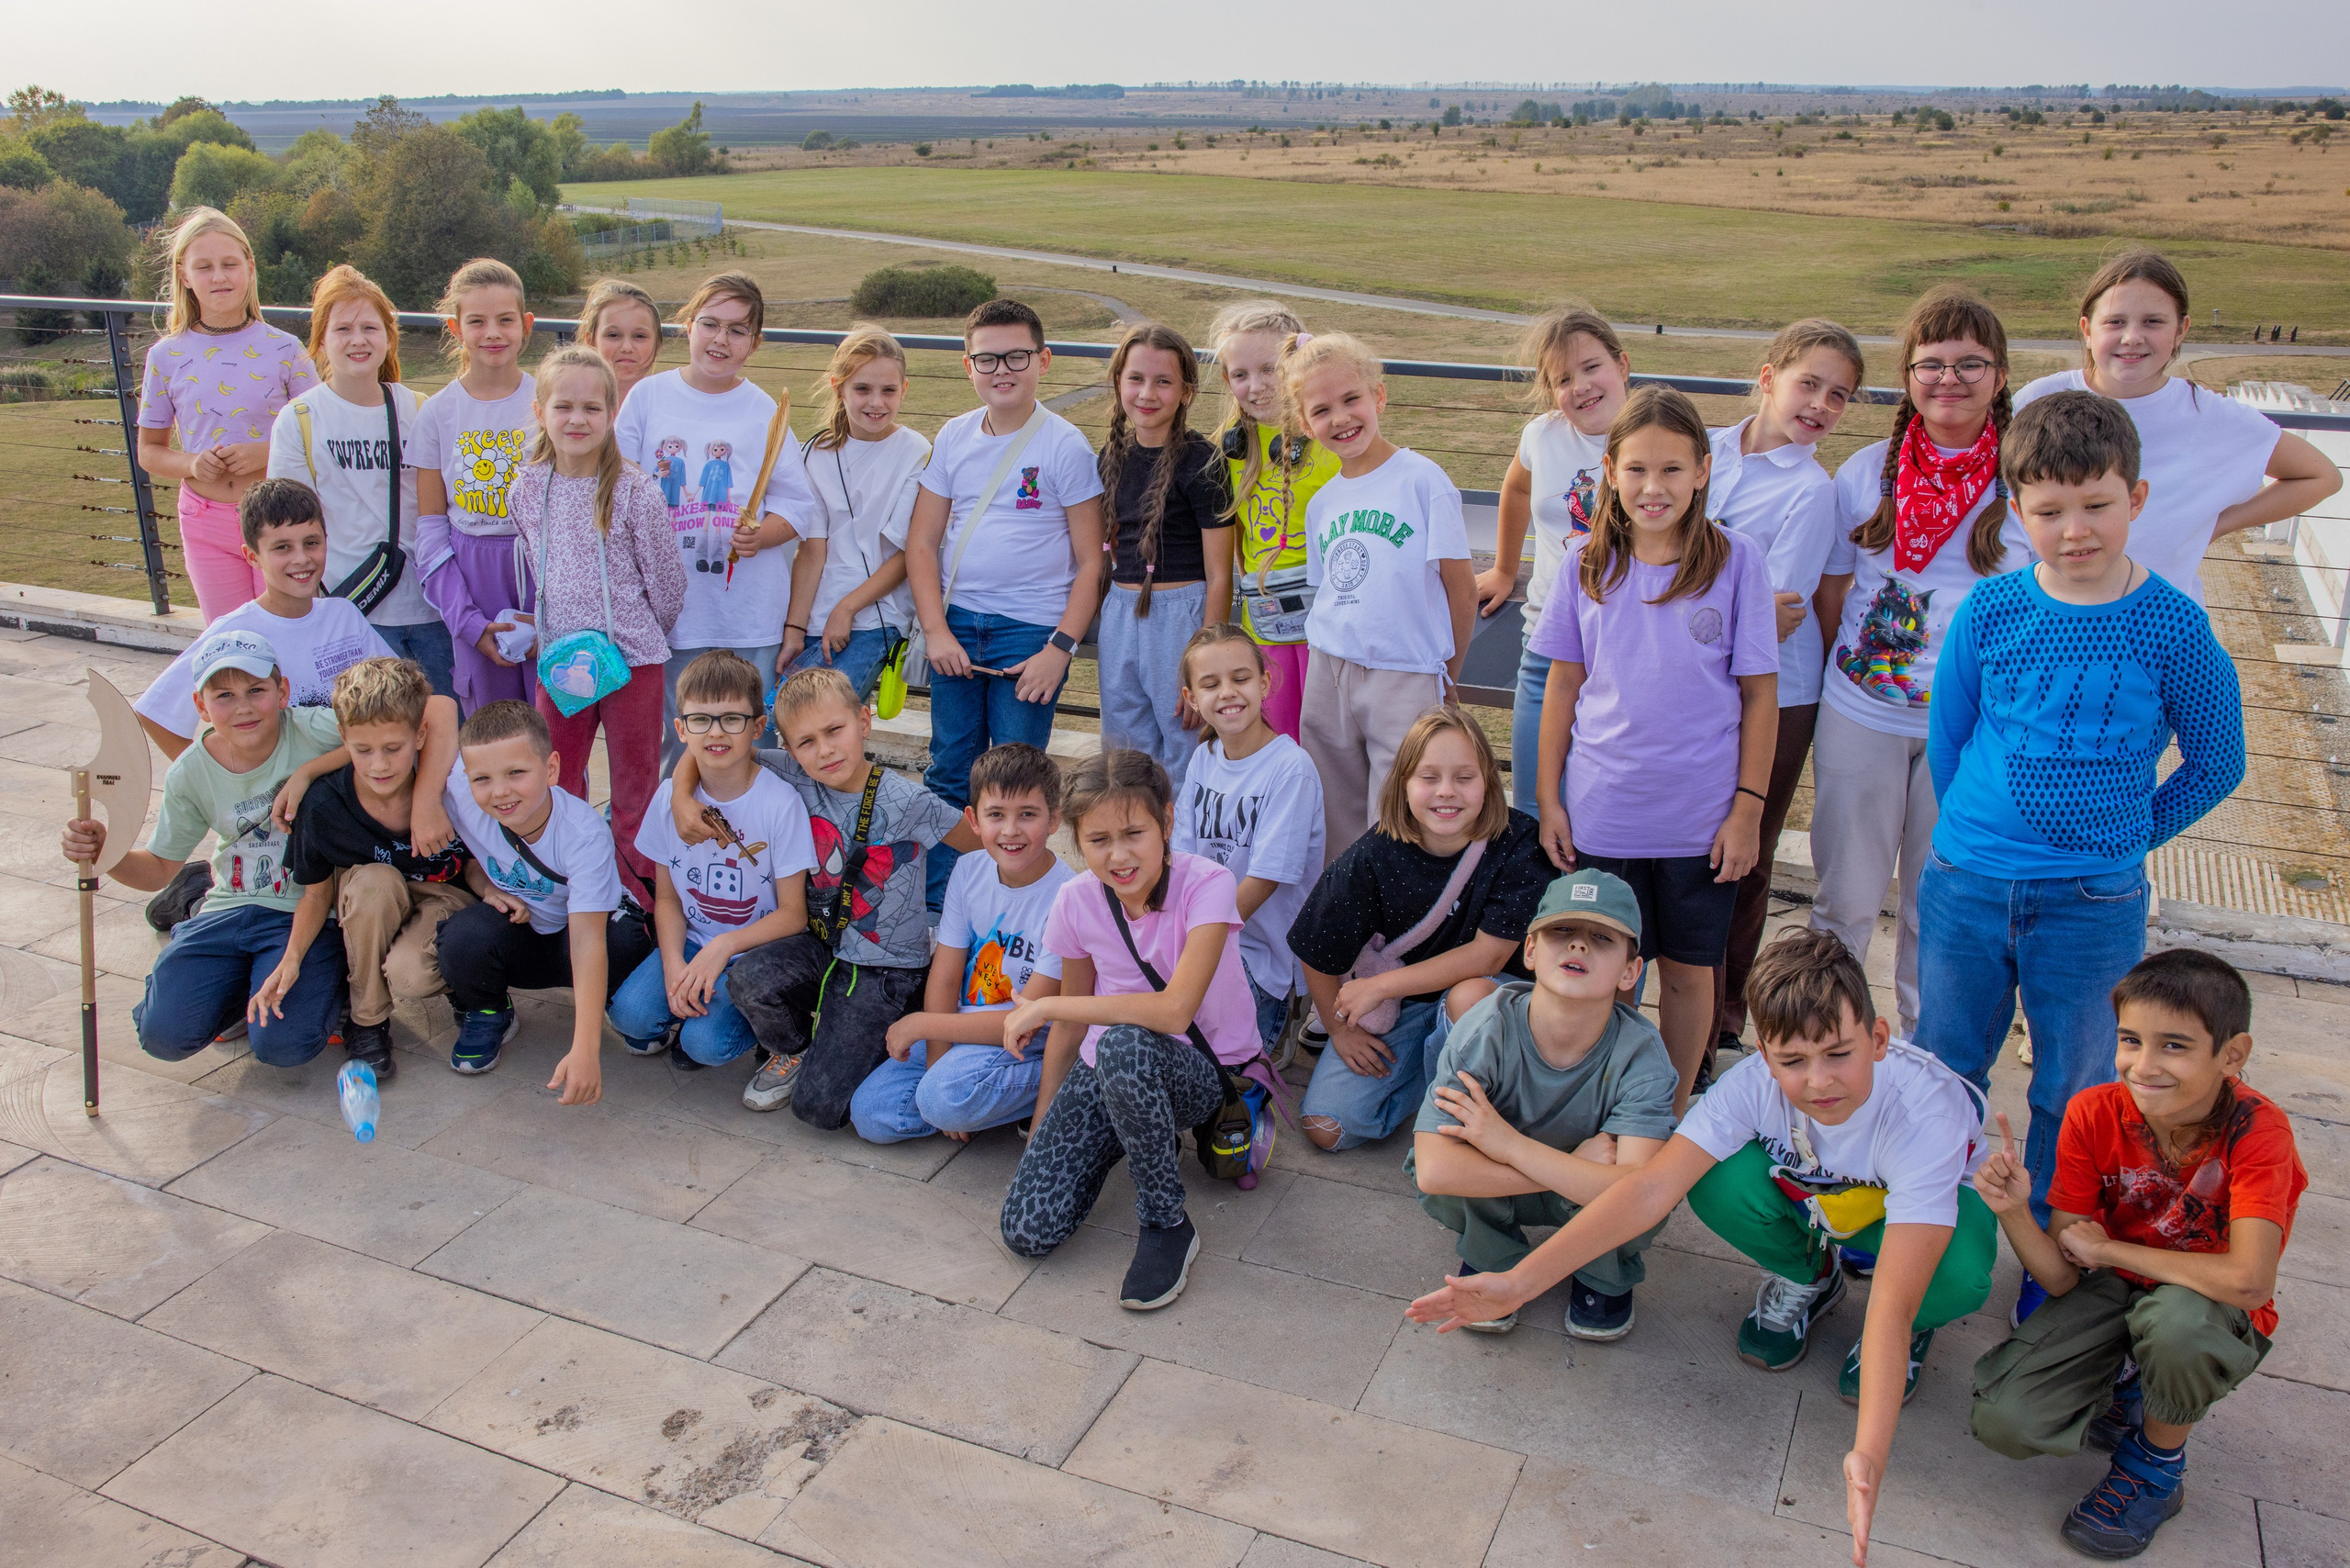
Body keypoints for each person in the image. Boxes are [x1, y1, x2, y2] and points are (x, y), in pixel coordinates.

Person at [1408, 929, 1998, 1568]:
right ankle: (1812, 1275)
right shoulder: (1749, 1086)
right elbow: (1646, 1192)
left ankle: (1917, 1331)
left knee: (1958, 1272)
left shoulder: (1925, 1114)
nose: (1819, 1080)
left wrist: (1868, 1453)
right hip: (1818, 1201)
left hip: (1911, 1220)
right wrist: (1517, 1283)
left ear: (1879, 1040)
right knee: (1715, 1180)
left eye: (1839, 1053)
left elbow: (1887, 1303)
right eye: (1793, 1061)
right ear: (1764, 1057)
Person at [1918, 389, 2245, 1320]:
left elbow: (2217, 758)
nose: (2073, 530)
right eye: (2048, 509)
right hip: (1966, 884)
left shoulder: (2170, 624)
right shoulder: (1989, 609)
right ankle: (1933, 1243)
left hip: (2091, 901)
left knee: (2078, 1085)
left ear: (2135, 497)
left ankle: (2053, 1266)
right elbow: (1951, 738)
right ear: (2016, 511)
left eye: (2094, 504)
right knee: (1944, 1066)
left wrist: (2127, 835)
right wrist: (1974, 835)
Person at [1969, 949, 2305, 1560]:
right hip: (2116, 1287)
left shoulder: (2260, 1133)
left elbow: (2250, 1282)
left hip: (2207, 1307)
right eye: (2129, 1040)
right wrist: (2015, 1211)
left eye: (2173, 1046)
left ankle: (2156, 1467)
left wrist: (2115, 1249)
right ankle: (2131, 1386)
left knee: (2176, 1325)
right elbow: (2067, 1278)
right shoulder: (2094, 1112)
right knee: (2006, 1421)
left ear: (2232, 1055)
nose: (2142, 1066)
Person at [1531, 386, 1780, 1110]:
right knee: (1608, 969)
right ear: (1610, 471)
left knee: (1687, 970)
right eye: (1637, 469)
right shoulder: (1585, 562)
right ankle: (1609, 1098)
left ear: (1703, 471)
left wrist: (1747, 811)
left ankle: (1669, 1109)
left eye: (1672, 470)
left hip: (1700, 822)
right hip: (1603, 813)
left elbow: (1761, 696)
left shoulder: (1738, 562)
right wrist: (1549, 799)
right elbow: (1563, 687)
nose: (1653, 487)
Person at [1810, 286, 2032, 1039]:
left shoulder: (2026, 481)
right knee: (1845, 898)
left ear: (2000, 376)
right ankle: (1826, 1043)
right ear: (1907, 376)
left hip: (1973, 730)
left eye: (1971, 364)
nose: (1950, 380)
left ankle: (1928, 1060)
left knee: (1937, 906)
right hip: (1862, 715)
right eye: (1931, 364)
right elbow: (1833, 592)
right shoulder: (1865, 472)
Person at [997, 749, 1264, 1311]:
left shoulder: (1207, 885)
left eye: (1134, 832)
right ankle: (1140, 1127)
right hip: (1114, 1064)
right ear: (1076, 840)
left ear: (1167, 822)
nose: (1119, 855)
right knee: (1026, 1230)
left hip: (1200, 1069)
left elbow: (1172, 1013)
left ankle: (1167, 1222)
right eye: (1098, 840)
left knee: (1125, 1044)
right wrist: (1045, 1123)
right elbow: (1073, 1022)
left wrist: (1049, 1010)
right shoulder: (1074, 900)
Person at [669, 666, 970, 1123]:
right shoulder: (793, 772)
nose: (824, 750)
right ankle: (797, 1047)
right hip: (823, 944)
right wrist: (679, 794)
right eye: (806, 742)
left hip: (884, 967)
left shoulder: (909, 802)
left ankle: (910, 1022)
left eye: (835, 731)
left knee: (820, 1109)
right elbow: (714, 751)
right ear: (789, 749)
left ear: (864, 722)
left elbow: (987, 848)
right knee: (747, 977)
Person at [1410, 868, 1679, 1340]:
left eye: (1602, 938)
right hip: (1561, 1180)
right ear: (1530, 951)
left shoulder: (1643, 1054)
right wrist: (1562, 1166)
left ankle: (1603, 1271)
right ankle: (1493, 1252)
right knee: (1447, 1174)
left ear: (1630, 972)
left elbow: (1642, 1191)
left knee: (1649, 1198)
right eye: (1562, 931)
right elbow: (1434, 1170)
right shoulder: (1485, 1029)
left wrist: (1508, 1145)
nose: (1578, 946)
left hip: (1574, 1196)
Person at [65, 631, 352, 1070]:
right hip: (228, 907)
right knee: (162, 1036)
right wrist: (108, 851)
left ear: (282, 692)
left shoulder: (314, 728)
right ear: (201, 707)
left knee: (284, 1045)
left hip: (304, 909)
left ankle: (324, 986)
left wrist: (310, 770)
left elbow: (393, 732)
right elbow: (160, 869)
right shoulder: (190, 771)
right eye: (224, 695)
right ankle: (222, 978)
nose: (242, 706)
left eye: (256, 690)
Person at [906, 297, 1107, 910]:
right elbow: (922, 540)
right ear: (968, 366)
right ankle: (945, 909)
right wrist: (937, 631)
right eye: (987, 359)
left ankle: (1018, 906)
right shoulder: (954, 436)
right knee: (949, 772)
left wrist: (1060, 650)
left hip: (1030, 636)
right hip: (958, 628)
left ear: (1042, 360)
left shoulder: (1066, 447)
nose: (1002, 370)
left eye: (1016, 356)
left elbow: (1091, 561)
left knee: (1019, 778)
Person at [132, 480, 395, 929]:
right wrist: (230, 782)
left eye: (312, 543)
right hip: (284, 825)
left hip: (349, 803)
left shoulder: (343, 617)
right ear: (252, 556)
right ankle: (195, 899)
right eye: (281, 547)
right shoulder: (232, 632)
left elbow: (399, 702)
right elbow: (154, 712)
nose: (301, 559)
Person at [1707, 320, 1863, 1072]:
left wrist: (1670, 601)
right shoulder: (1701, 447)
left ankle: (1722, 1012)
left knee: (1745, 853)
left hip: (1778, 693)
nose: (1822, 405)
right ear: (1769, 378)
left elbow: (1774, 610)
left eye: (1840, 397)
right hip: (1683, 683)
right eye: (1811, 384)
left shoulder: (1814, 491)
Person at [2014, 248, 2341, 606]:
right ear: (2086, 329)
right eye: (2115, 322)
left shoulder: (2211, 416)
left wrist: (2217, 525)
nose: (2132, 337)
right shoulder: (2038, 399)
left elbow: (2321, 477)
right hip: (2047, 620)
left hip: (2162, 629)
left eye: (2153, 322)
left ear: (2181, 330)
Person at [1289, 708, 1550, 1150]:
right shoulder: (1374, 854)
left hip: (1491, 1002)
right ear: (1403, 784)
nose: (1446, 792)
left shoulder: (1519, 843)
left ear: (1488, 781)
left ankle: (1463, 1115)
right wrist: (1339, 1030)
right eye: (1429, 777)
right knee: (1327, 1128)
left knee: (1469, 997)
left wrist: (1380, 985)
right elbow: (1315, 946)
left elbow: (1488, 957)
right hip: (1404, 1007)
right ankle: (1426, 1081)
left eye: (1464, 777)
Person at [612, 272, 820, 769]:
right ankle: (680, 839)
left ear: (755, 342)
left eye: (737, 330)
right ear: (688, 327)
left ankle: (752, 834)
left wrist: (761, 535)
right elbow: (614, 489)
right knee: (680, 738)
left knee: (752, 738)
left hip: (747, 616)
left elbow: (798, 506)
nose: (720, 340)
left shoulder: (764, 410)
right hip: (671, 615)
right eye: (710, 324)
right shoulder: (647, 398)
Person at [1289, 332, 1477, 859]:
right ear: (1306, 424)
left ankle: (1395, 929)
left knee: (1399, 812)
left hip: (1405, 673)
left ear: (1379, 396)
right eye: (1322, 410)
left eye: (1352, 399)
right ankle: (1342, 925)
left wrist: (1447, 674)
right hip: (1331, 669)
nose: (1341, 418)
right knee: (1333, 808)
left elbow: (1460, 592)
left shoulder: (1422, 481)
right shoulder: (1322, 503)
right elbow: (1331, 592)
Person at [510, 345, 688, 902]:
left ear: (612, 413)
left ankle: (637, 897)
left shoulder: (635, 493)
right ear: (540, 411)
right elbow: (542, 569)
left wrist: (633, 636)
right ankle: (567, 885)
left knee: (636, 784)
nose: (577, 419)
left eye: (592, 407)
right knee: (558, 777)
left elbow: (668, 585)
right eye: (563, 406)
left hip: (632, 661)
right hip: (562, 661)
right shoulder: (526, 489)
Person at [851, 743, 1076, 1144]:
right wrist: (937, 1058)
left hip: (1022, 1041)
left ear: (1055, 818)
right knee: (871, 1114)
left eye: (1028, 814)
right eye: (996, 815)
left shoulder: (1068, 897)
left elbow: (1030, 1018)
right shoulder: (969, 869)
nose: (1010, 831)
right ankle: (972, 1101)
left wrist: (923, 1025)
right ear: (973, 819)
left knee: (943, 1097)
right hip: (961, 1027)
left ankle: (1060, 1087)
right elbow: (946, 974)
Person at [427, 700, 650, 1099]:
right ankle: (488, 1010)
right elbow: (424, 712)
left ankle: (615, 1002)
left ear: (551, 768)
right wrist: (424, 802)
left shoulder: (582, 833)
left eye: (516, 773)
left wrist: (585, 1049)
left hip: (578, 938)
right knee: (461, 938)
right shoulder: (458, 790)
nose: (500, 792)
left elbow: (586, 942)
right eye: (482, 779)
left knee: (623, 942)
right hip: (522, 932)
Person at [608, 651, 817, 1074]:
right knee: (629, 1016)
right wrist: (673, 966)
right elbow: (666, 899)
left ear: (758, 727)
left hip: (755, 951)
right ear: (681, 729)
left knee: (705, 1044)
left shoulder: (780, 804)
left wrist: (721, 948)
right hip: (691, 940)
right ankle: (683, 1008)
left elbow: (794, 914)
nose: (716, 731)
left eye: (732, 719)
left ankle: (766, 1033)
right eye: (701, 719)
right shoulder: (670, 799)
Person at [263, 657, 469, 1081]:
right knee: (372, 884)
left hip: (444, 893)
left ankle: (466, 987)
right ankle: (368, 1021)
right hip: (375, 894)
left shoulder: (451, 784)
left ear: (420, 736)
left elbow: (443, 707)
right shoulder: (322, 806)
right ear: (343, 740)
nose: (379, 765)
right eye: (363, 751)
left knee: (412, 975)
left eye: (393, 749)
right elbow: (317, 894)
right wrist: (292, 958)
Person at [1478, 307, 1633, 814]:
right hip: (1547, 640)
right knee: (1534, 805)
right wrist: (1505, 568)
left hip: (1626, 651)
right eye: (1562, 379)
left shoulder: (1656, 433)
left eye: (1592, 367)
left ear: (1622, 365)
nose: (1581, 387)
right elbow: (1518, 487)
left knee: (1609, 806)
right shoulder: (1542, 436)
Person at [266, 264, 448, 698]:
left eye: (369, 327)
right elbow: (288, 529)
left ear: (388, 336)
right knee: (375, 744)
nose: (357, 339)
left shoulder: (420, 409)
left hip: (430, 609)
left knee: (446, 735)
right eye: (343, 328)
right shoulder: (300, 420)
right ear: (322, 340)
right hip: (351, 611)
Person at [136, 206, 317, 624]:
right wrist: (192, 463)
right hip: (205, 522)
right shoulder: (165, 356)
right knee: (229, 641)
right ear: (184, 275)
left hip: (281, 524)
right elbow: (150, 451)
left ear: (250, 269)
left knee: (286, 630)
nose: (219, 276)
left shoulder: (286, 348)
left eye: (230, 264)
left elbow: (321, 433)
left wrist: (265, 453)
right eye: (205, 266)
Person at [1169, 622, 1323, 1051]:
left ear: (1265, 683)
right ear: (1191, 699)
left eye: (1240, 679)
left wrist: (1192, 938)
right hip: (1200, 935)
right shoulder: (1204, 757)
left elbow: (1267, 878)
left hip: (1256, 958)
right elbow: (1180, 856)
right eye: (1210, 684)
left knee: (1184, 1044)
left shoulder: (1290, 769)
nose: (1228, 693)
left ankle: (1279, 1027)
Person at [1094, 322, 1234, 774]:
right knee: (1123, 746)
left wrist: (1206, 667)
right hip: (1121, 611)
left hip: (1182, 616)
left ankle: (1183, 843)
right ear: (1119, 383)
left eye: (1164, 381)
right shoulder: (1109, 457)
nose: (1147, 393)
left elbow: (1220, 575)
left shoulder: (1203, 461)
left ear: (1186, 392)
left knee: (1185, 742)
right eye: (1135, 379)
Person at [411, 258, 540, 713]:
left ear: (525, 325)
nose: (493, 333)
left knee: (556, 721)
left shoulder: (550, 402)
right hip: (473, 580)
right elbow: (429, 527)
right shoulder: (437, 413)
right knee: (490, 725)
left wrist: (556, 617)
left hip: (543, 574)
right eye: (477, 321)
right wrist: (467, 622)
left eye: (506, 320)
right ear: (455, 327)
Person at [1207, 301, 1338, 742]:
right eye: (1241, 375)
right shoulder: (1231, 449)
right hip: (1267, 626)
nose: (1257, 386)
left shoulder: (1330, 437)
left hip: (1332, 621)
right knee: (1277, 734)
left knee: (1331, 739)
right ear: (1227, 380)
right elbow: (1237, 542)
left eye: (1270, 370)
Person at [788, 327, 929, 700]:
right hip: (817, 618)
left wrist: (846, 609)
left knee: (826, 715)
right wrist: (794, 629)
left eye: (888, 391)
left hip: (874, 618)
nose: (876, 402)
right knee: (781, 720)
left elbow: (905, 555)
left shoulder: (917, 451)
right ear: (839, 388)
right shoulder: (814, 452)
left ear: (904, 389)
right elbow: (811, 550)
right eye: (862, 389)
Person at [577, 278, 665, 407]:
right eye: (613, 335)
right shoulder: (569, 407)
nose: (627, 348)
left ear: (657, 345)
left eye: (639, 336)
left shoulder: (671, 407)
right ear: (590, 342)